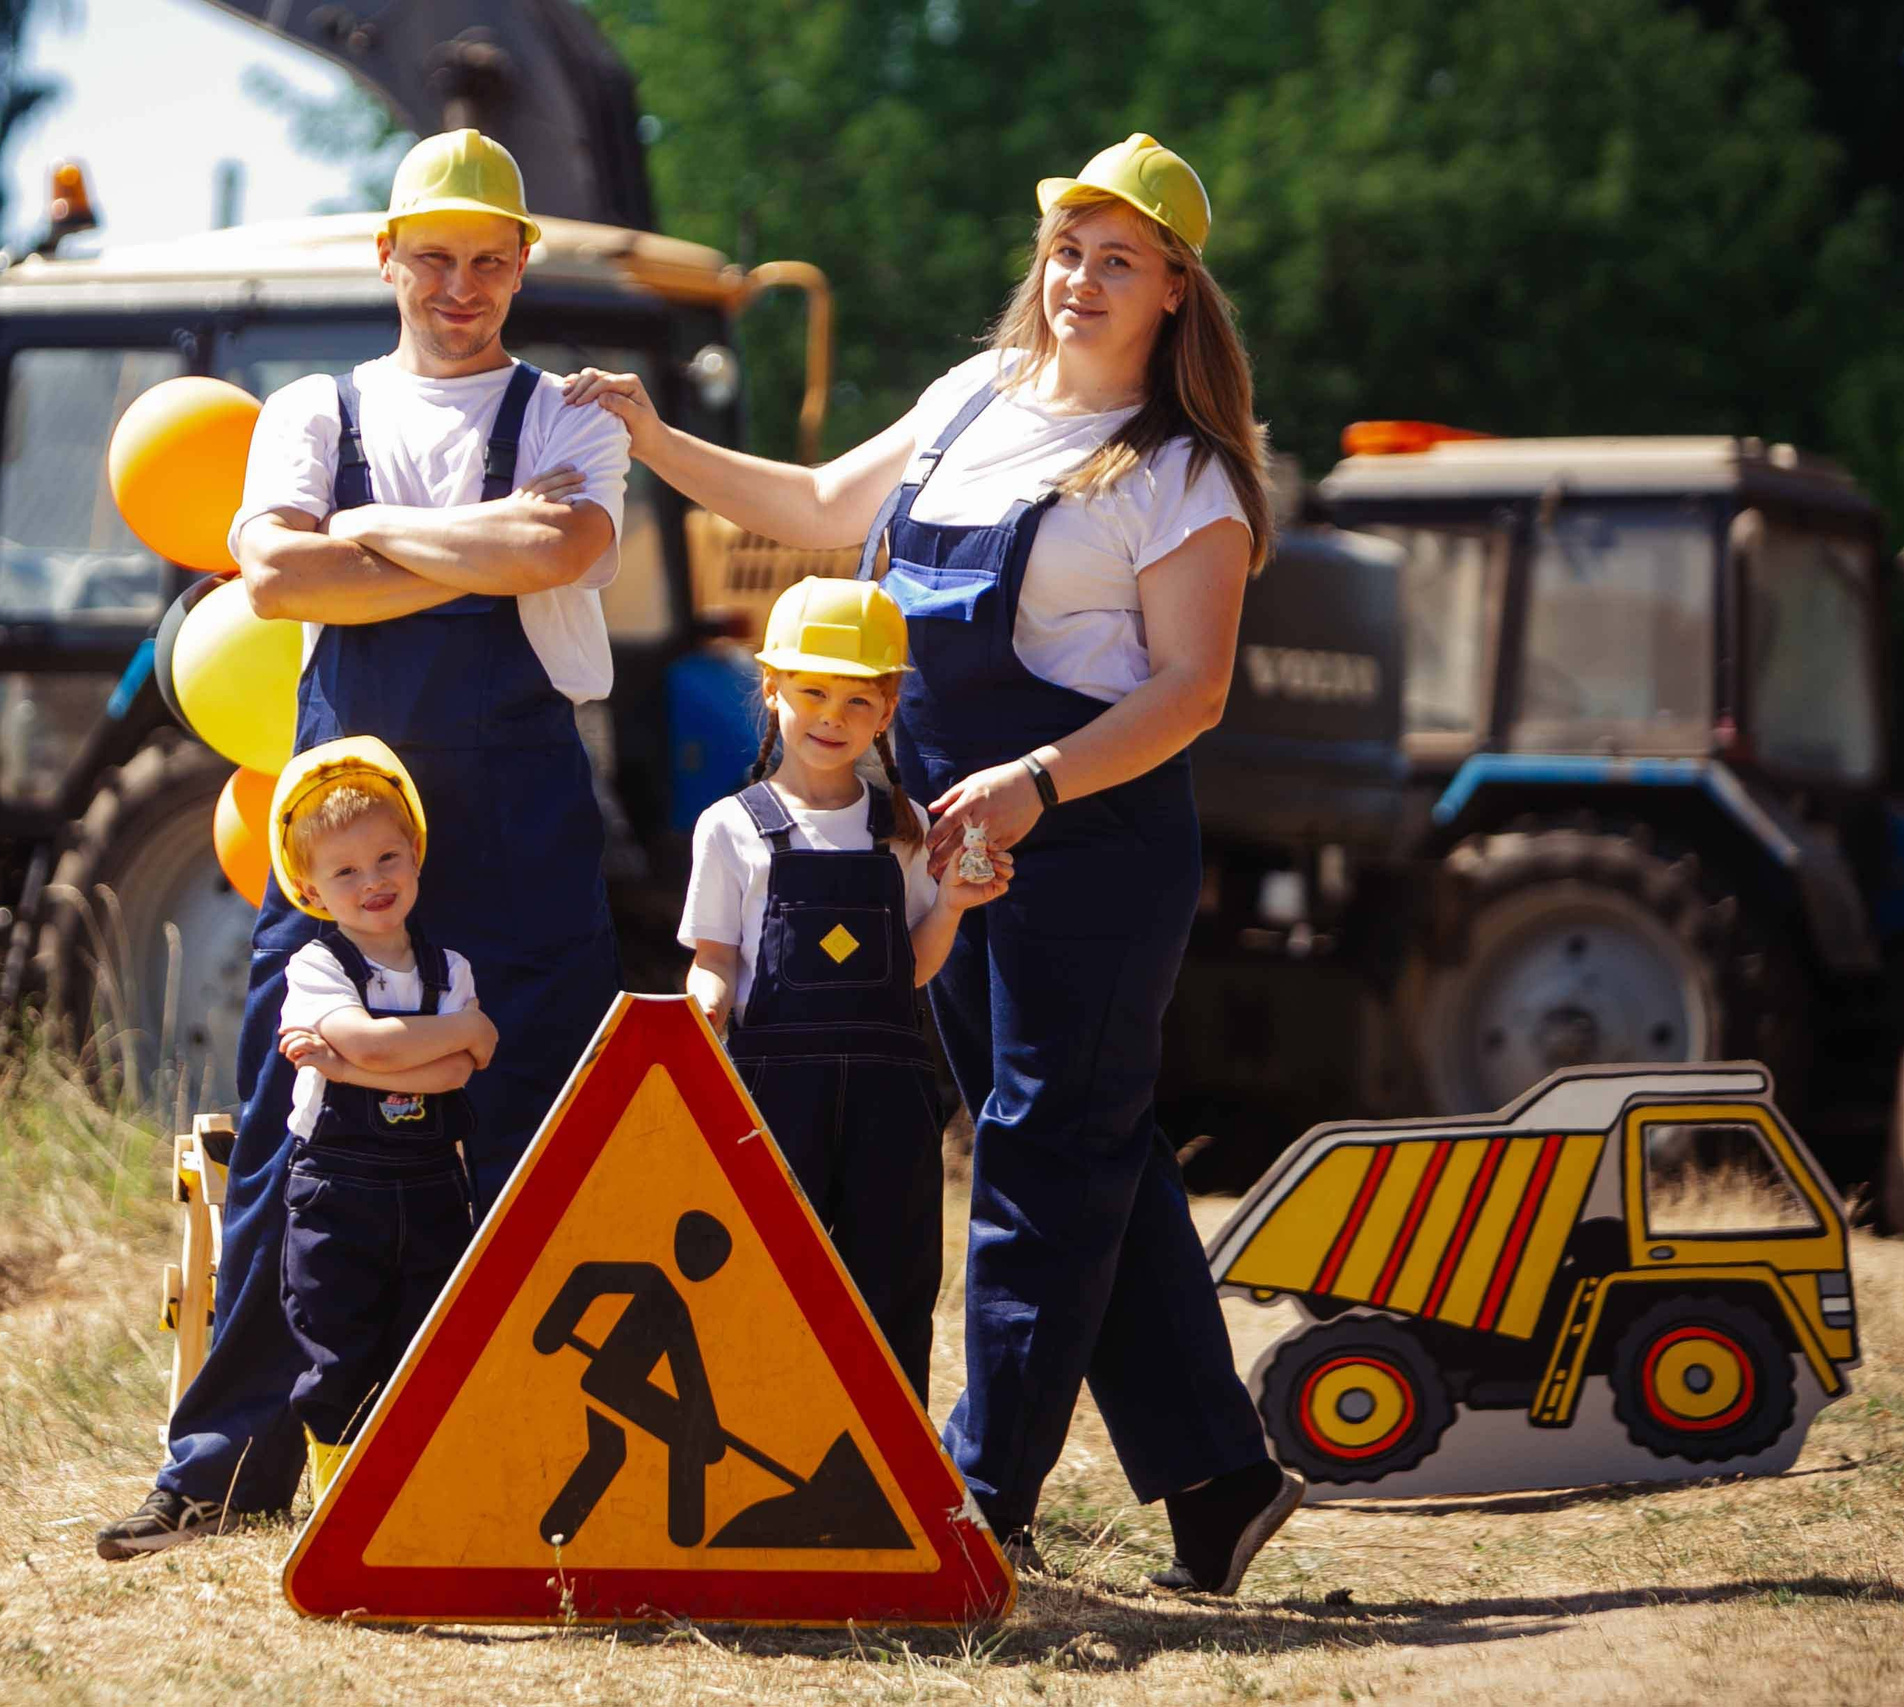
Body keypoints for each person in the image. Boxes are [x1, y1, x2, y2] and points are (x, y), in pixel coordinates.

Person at [565, 134, 1301, 1594]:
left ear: (1173, 289)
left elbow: (1194, 690)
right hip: (942, 838)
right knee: (1089, 1149)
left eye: (1118, 259)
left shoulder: (1184, 472)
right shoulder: (974, 397)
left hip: (1090, 844)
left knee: (1040, 1153)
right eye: (1067, 250)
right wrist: (652, 437)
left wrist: (1039, 781)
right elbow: (819, 507)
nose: (1081, 278)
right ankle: (1220, 1479)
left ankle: (975, 1498)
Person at [98, 129, 630, 1558]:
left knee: (534, 1125)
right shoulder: (310, 407)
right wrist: (474, 540)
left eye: (488, 260)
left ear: (522, 263)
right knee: (298, 1122)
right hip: (339, 828)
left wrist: (373, 534)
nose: (461, 286)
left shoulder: (574, 415)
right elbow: (276, 573)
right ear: (386, 256)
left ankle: (533, 1456)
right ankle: (225, 1467)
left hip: (521, 825)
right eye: (433, 256)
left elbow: (557, 555)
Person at [678, 576, 1008, 1401]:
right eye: (812, 692)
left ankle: (885, 1457)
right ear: (772, 688)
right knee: (761, 1276)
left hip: (888, 1104)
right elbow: (715, 956)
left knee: (892, 1287)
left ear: (887, 710)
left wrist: (954, 905)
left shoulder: (906, 827)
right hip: (771, 1098)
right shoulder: (730, 826)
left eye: (858, 699)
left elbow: (912, 971)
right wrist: (705, 1003)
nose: (832, 716)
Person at [263, 737, 494, 1504]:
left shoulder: (449, 967)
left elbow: (456, 1072)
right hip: (338, 1192)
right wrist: (453, 1032)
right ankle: (339, 1502)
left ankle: (418, 1499)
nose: (373, 881)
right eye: (346, 871)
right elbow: (383, 1042)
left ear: (416, 855)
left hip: (431, 1187)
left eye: (387, 858)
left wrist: (343, 1065)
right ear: (311, 889)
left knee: (425, 1343)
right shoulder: (316, 967)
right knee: (338, 1347)